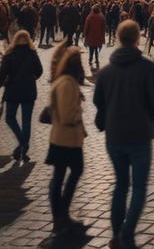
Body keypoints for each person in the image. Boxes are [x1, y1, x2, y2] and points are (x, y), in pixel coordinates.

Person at [94, 20, 154, 249]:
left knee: (120, 185)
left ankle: (116, 233)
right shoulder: (147, 67)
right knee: (139, 187)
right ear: (138, 38)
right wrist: (148, 116)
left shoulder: (105, 71)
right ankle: (126, 231)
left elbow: (98, 102)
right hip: (140, 135)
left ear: (117, 38)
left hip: (114, 136)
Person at [46, 46, 87, 236]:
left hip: (64, 137)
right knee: (71, 172)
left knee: (60, 175)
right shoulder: (67, 83)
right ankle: (60, 214)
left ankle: (61, 216)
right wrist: (78, 117)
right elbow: (66, 115)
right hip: (66, 137)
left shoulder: (64, 80)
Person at [0, 29, 43, 161]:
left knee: (10, 118)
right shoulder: (32, 54)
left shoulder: (9, 55)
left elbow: (2, 76)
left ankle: (22, 143)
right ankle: (24, 147)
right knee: (26, 121)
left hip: (13, 92)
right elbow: (39, 71)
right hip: (29, 91)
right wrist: (31, 79)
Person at [84, 4, 106, 69]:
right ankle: (96, 59)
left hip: (90, 36)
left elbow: (86, 27)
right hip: (99, 36)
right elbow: (103, 28)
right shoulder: (102, 17)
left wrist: (85, 34)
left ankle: (90, 59)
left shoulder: (89, 17)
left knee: (91, 49)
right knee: (97, 49)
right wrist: (103, 37)